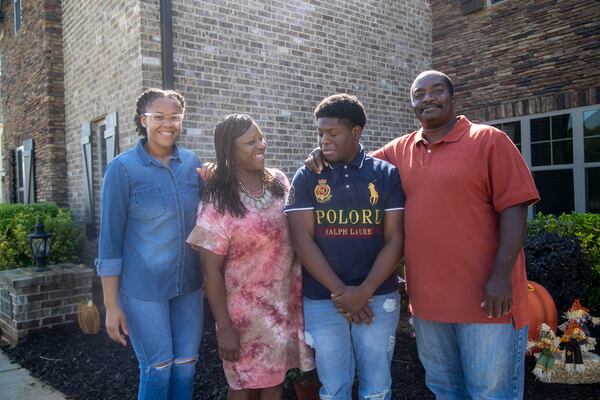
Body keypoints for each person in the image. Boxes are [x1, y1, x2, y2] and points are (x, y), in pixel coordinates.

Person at [307, 72, 540, 399]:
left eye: (436, 91)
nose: (427, 98)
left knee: (490, 393)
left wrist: (501, 276)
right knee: (444, 390)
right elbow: (355, 159)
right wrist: (324, 153)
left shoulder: (488, 140)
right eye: (419, 94)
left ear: (452, 97)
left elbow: (515, 208)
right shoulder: (400, 151)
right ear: (413, 103)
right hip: (430, 305)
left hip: (488, 302)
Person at [285, 94, 405, 400]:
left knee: (377, 387)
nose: (324, 140)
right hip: (323, 299)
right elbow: (302, 240)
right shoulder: (308, 176)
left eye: (332, 133)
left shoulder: (385, 174)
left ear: (356, 132)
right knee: (334, 387)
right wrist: (341, 292)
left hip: (377, 297)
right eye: (320, 133)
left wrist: (364, 291)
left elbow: (395, 239)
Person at [186, 113, 314, 400]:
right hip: (242, 315)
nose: (261, 145)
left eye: (261, 138)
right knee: (242, 387)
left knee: (273, 384)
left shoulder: (279, 182)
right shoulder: (218, 200)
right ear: (229, 150)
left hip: (283, 307)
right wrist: (225, 329)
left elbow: (302, 229)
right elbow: (210, 271)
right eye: (250, 142)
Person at [96, 88, 204, 400]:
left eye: (174, 117)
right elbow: (109, 243)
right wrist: (111, 305)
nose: (167, 124)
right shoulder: (122, 169)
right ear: (143, 120)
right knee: (158, 368)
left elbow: (214, 211)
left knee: (186, 366)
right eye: (159, 117)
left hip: (189, 286)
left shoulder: (192, 163)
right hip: (143, 291)